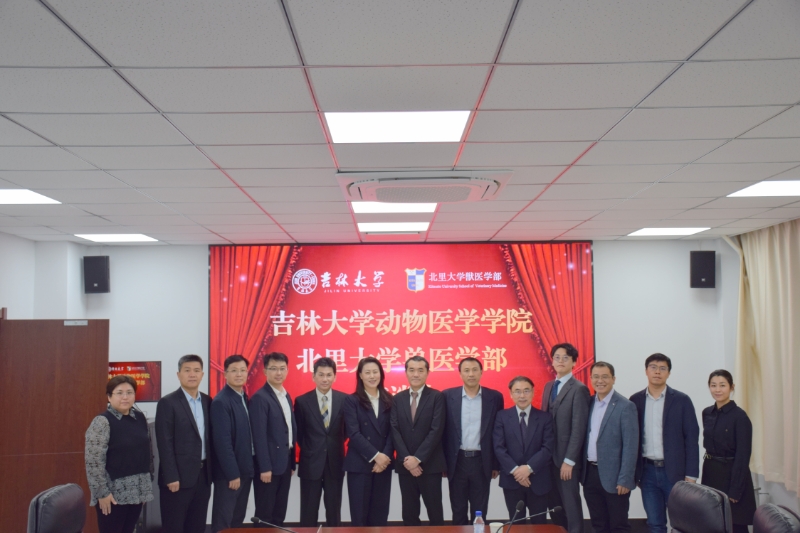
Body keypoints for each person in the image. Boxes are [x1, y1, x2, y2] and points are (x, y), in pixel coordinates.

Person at [629, 353, 699, 533]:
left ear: (669, 373)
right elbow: (630, 438)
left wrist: (691, 474)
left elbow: (692, 439)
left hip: (675, 472)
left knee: (682, 523)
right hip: (647, 473)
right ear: (646, 371)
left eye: (662, 368)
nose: (657, 372)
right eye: (653, 367)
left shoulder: (682, 400)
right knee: (655, 523)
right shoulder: (635, 401)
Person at [85, 375, 153, 533]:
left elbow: (147, 453)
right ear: (109, 397)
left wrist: (144, 488)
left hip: (137, 491)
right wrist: (102, 493)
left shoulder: (139, 418)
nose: (125, 397)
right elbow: (93, 462)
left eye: (129, 392)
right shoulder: (102, 422)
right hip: (112, 494)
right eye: (119, 393)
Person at [442, 357, 504, 524]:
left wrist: (495, 464)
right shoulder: (447, 396)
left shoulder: (495, 397)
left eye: (475, 370)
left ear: (481, 372)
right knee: (458, 510)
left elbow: (498, 433)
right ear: (460, 374)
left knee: (480, 511)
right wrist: (443, 463)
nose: (471, 374)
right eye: (467, 370)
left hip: (481, 461)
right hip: (457, 461)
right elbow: (443, 432)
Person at [155, 355, 213, 533]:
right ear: (178, 374)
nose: (192, 374)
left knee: (197, 527)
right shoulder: (168, 402)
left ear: (202, 374)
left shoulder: (208, 401)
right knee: (174, 527)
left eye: (196, 370)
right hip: (177, 479)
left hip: (203, 477)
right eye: (187, 370)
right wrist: (171, 476)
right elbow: (164, 442)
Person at [582, 362, 639, 533]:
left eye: (605, 377)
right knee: (598, 525)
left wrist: (625, 479)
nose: (600, 381)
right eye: (596, 377)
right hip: (590, 475)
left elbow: (631, 446)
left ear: (613, 379)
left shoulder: (625, 406)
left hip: (615, 478)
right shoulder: (588, 403)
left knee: (618, 526)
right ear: (590, 379)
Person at [390, 355, 446, 526]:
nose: (416, 374)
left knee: (435, 513)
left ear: (427, 373)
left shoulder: (437, 397)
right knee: (409, 514)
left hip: (430, 465)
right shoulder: (397, 399)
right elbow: (394, 430)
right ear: (406, 372)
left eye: (420, 370)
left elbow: (436, 430)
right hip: (405, 466)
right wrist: (408, 460)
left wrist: (418, 458)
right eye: (412, 370)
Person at [540, 343, 590, 533]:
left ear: (574, 362)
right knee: (554, 505)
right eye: (557, 357)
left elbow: (579, 428)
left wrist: (570, 460)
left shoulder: (579, 389)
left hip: (567, 461)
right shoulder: (548, 386)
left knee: (571, 505)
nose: (560, 361)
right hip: (548, 459)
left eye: (566, 358)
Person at [701, 370, 756, 533]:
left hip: (732, 474)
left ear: (732, 387)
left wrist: (736, 489)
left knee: (735, 524)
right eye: (713, 385)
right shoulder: (707, 413)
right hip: (711, 472)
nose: (717, 390)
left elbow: (743, 455)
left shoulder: (740, 417)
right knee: (712, 522)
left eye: (722, 385)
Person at [493, 376, 554, 524]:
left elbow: (548, 448)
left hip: (538, 480)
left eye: (526, 391)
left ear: (533, 392)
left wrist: (528, 468)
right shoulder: (502, 416)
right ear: (511, 394)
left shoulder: (545, 418)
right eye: (517, 391)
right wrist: (516, 471)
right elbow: (499, 447)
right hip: (512, 481)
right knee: (516, 525)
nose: (522, 395)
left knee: (539, 524)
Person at [295, 357, 346, 527]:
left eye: (329, 375)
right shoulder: (302, 401)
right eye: (321, 375)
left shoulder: (344, 400)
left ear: (335, 377)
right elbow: (299, 433)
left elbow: (346, 431)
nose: (325, 379)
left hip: (335, 463)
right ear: (313, 376)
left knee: (334, 512)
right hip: (310, 464)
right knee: (308, 512)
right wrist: (312, 449)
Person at [343, 357, 394, 526]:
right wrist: (376, 456)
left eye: (375, 372)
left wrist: (384, 457)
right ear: (360, 375)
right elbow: (354, 433)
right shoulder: (352, 400)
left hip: (383, 465)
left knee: (380, 515)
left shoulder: (389, 399)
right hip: (359, 464)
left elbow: (393, 432)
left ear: (381, 374)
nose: (372, 376)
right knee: (360, 516)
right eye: (367, 372)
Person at [249, 352, 297, 527]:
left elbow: (289, 430)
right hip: (268, 467)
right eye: (274, 369)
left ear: (287, 370)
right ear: (265, 371)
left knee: (279, 512)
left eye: (282, 368)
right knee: (265, 514)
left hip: (284, 463)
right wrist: (265, 467)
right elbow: (259, 436)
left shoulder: (285, 395)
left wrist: (292, 463)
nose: (279, 373)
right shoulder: (260, 398)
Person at [211, 355, 254, 533]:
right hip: (230, 475)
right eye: (234, 371)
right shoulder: (221, 401)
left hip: (244, 470)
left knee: (237, 519)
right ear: (225, 374)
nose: (239, 374)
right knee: (224, 521)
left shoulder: (243, 397)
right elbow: (222, 442)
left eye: (243, 370)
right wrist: (232, 474)